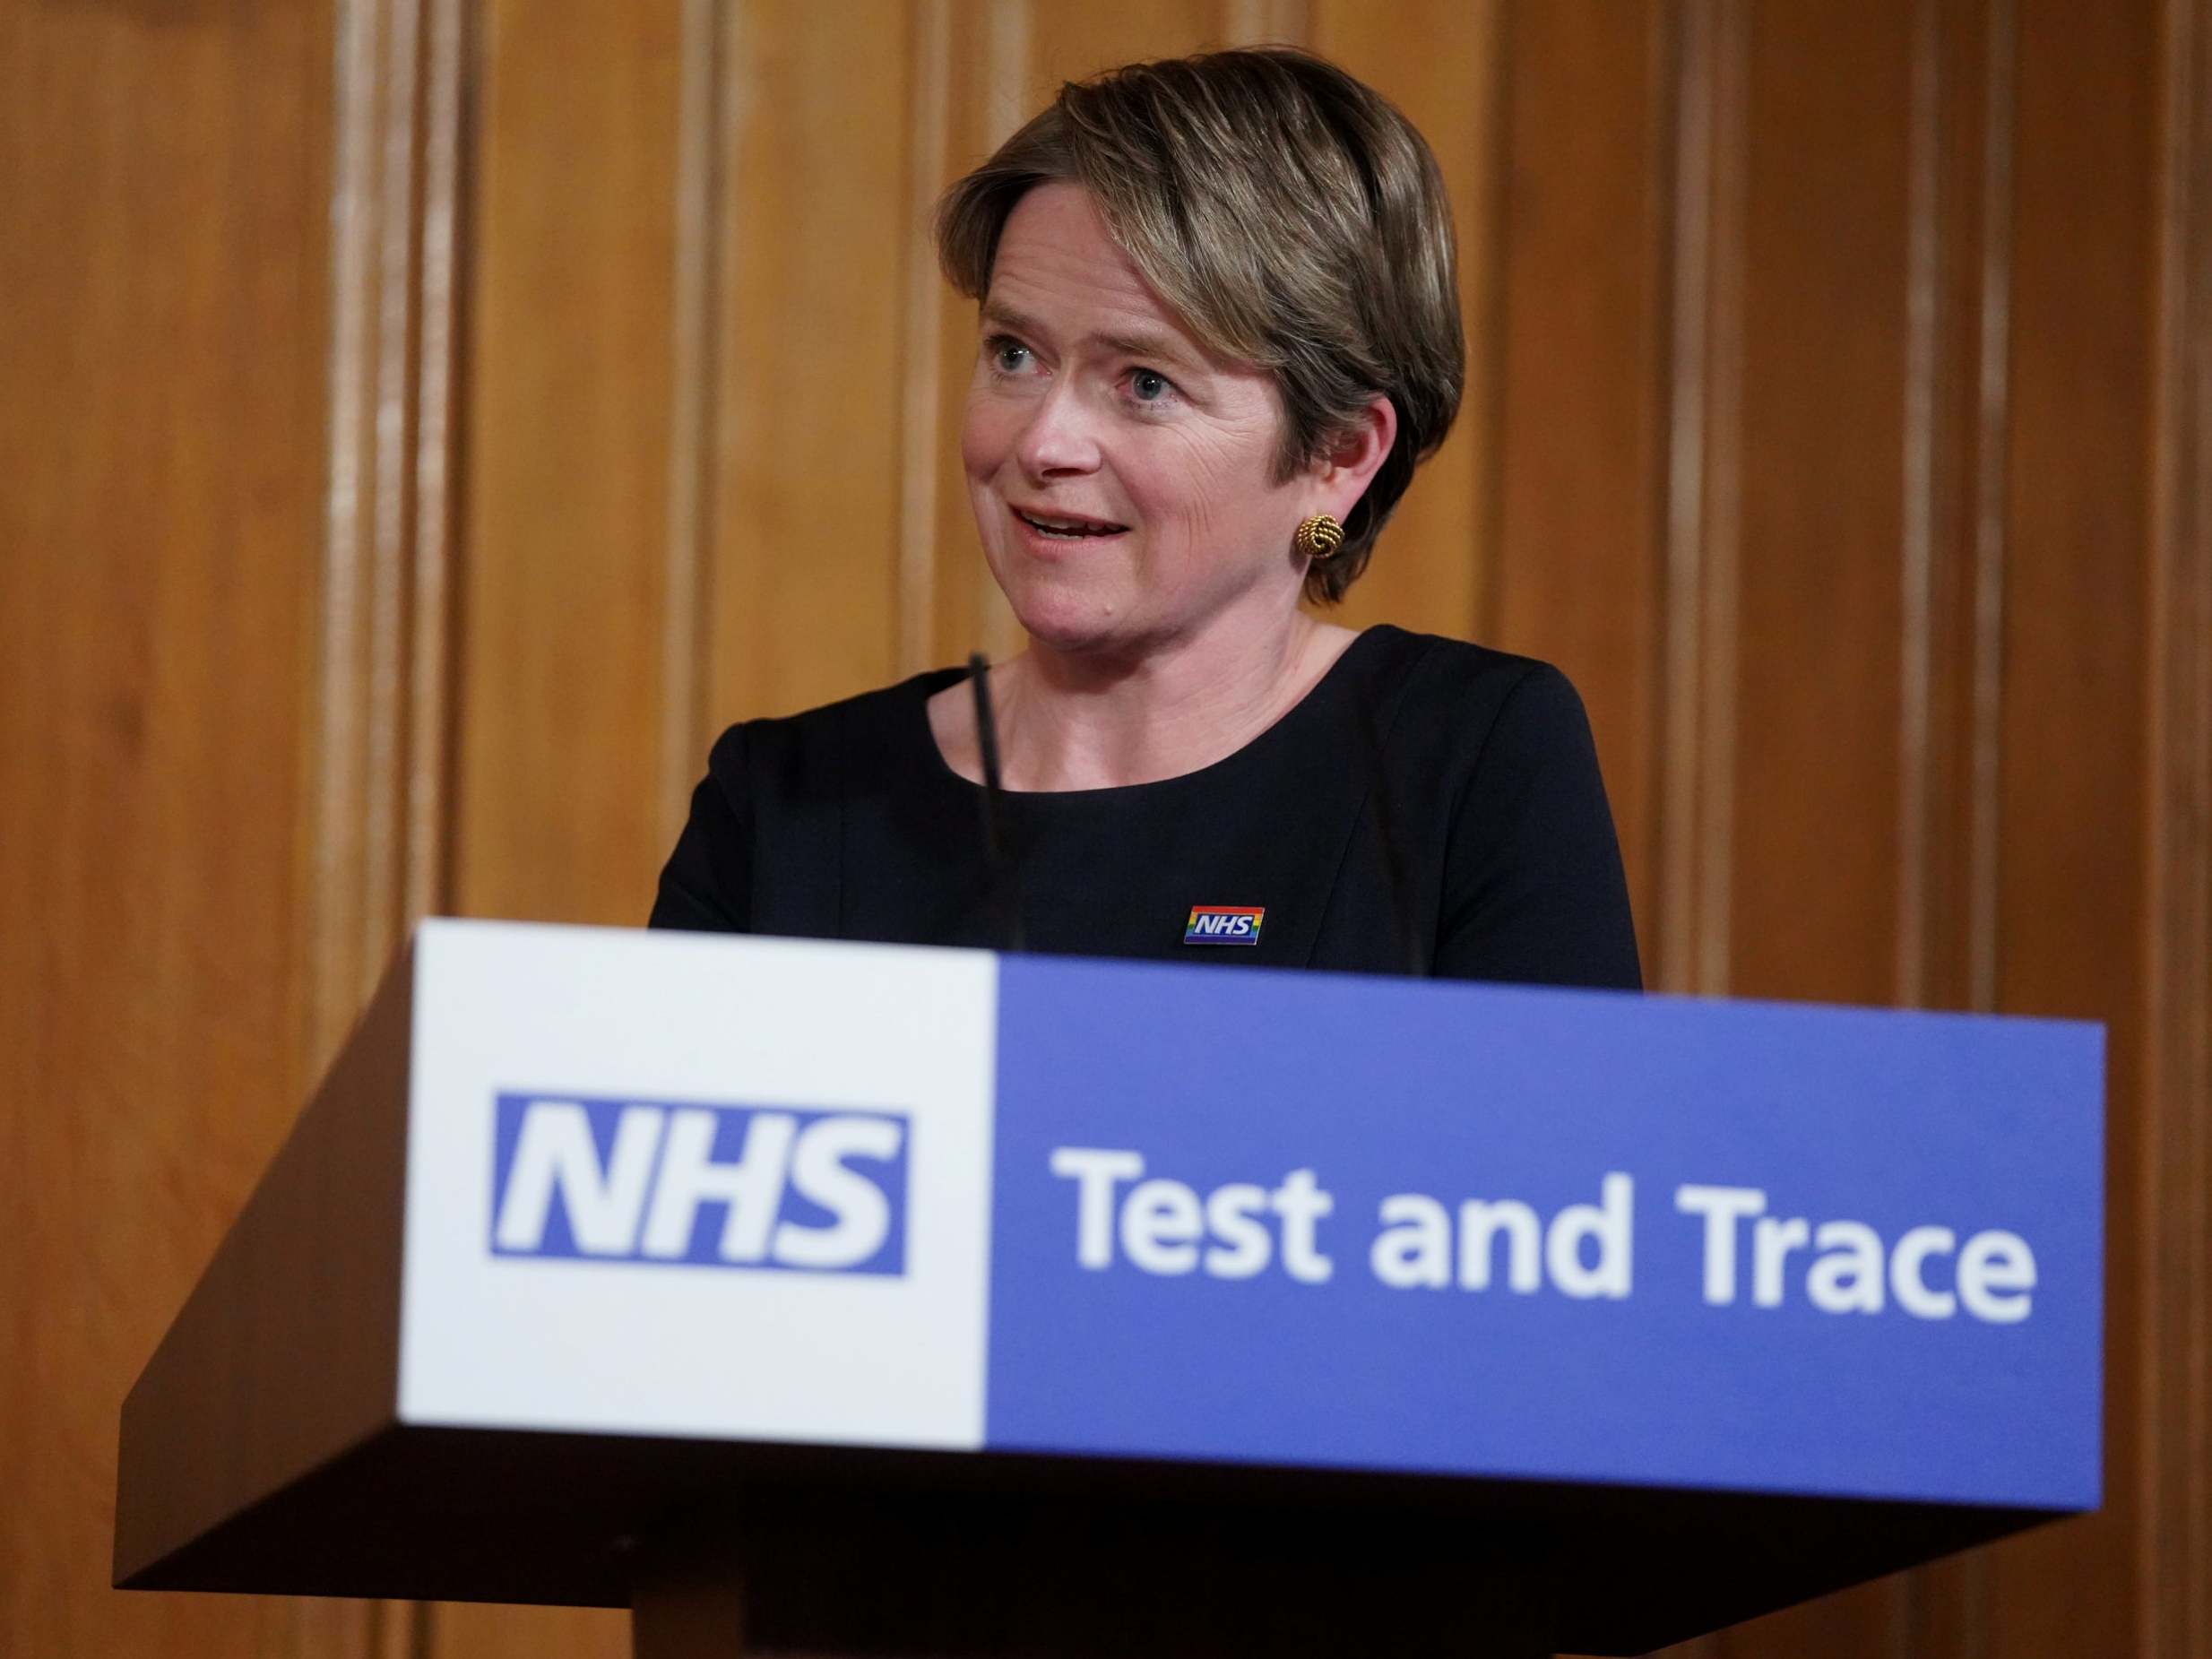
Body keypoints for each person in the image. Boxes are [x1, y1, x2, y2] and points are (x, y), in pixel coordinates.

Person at [652, 47, 1640, 989]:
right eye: (1012, 355)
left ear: (1339, 453)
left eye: (1144, 382)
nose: (1045, 442)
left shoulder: (1467, 760)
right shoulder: (784, 803)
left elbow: (1554, 1155)